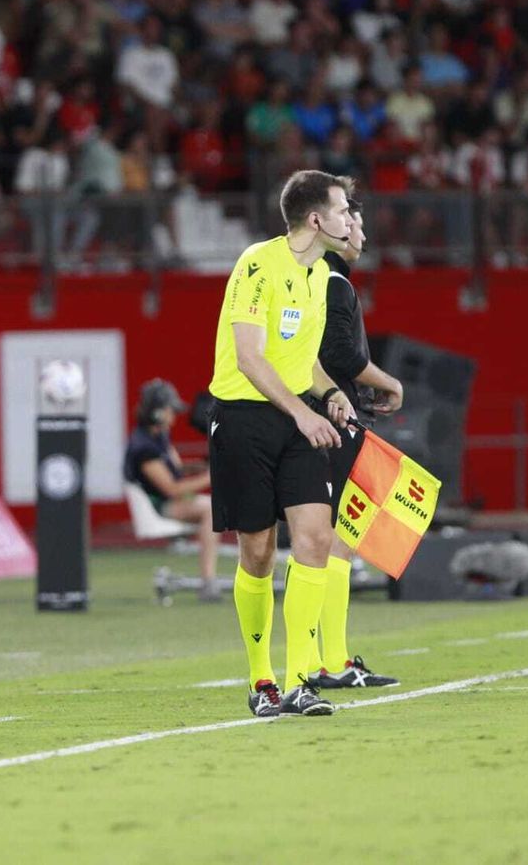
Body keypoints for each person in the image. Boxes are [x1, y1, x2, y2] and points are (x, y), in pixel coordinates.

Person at [207, 169, 356, 719]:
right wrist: (300, 413)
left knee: (315, 538)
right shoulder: (256, 263)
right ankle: (261, 679)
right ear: (316, 219)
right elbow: (249, 357)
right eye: (343, 210)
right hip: (245, 419)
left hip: (297, 419)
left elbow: (304, 361)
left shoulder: (320, 275)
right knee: (259, 552)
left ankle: (298, 680)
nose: (349, 219)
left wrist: (332, 392)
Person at [309, 197, 404, 690]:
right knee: (340, 544)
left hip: (326, 418)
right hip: (339, 421)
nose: (360, 232)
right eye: (354, 220)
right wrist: (390, 383)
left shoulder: (314, 280)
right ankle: (332, 660)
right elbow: (340, 354)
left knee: (329, 542)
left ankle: (330, 658)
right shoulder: (335, 283)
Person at [124, 378, 218, 597]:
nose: (174, 417)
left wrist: (201, 465)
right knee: (210, 509)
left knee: (211, 506)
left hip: (171, 501)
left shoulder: (158, 437)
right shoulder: (144, 447)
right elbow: (172, 489)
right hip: (160, 506)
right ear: (157, 413)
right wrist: (213, 476)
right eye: (170, 411)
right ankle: (208, 581)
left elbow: (176, 470)